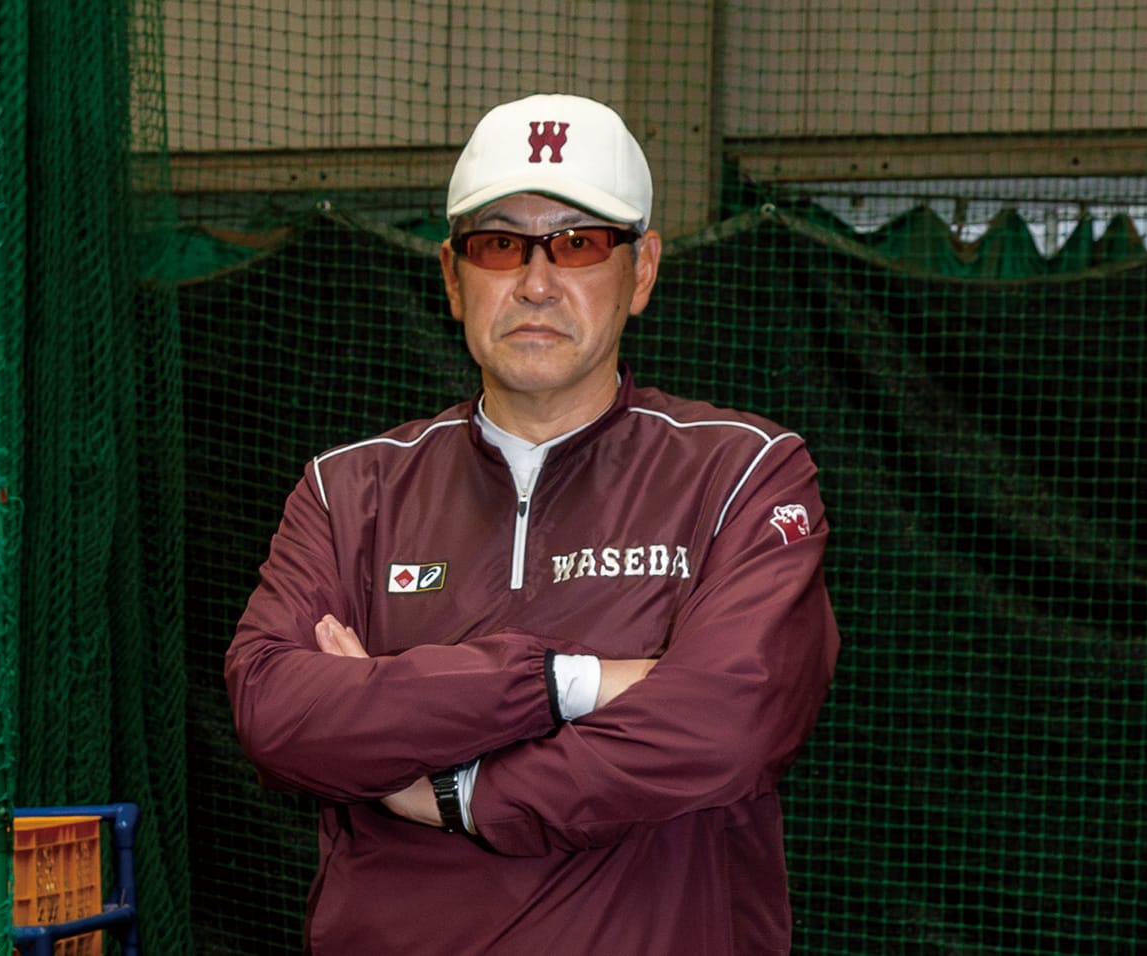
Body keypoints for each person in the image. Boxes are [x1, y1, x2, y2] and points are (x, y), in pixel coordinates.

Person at [224, 92, 840, 955]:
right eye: (500, 244)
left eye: (579, 243)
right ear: (452, 277)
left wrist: (458, 793)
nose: (537, 283)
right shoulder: (349, 489)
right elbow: (278, 714)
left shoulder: (745, 472)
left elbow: (730, 722)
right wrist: (567, 684)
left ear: (642, 270)